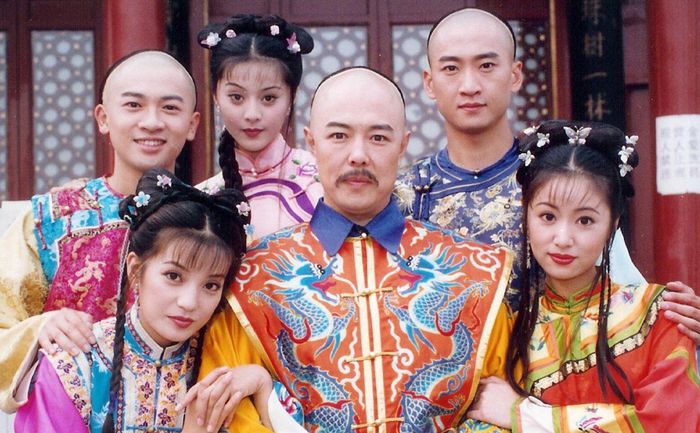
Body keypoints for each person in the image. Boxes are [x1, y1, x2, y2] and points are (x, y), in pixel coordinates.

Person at [187, 67, 515, 433]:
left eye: (378, 137)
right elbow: (231, 416)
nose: (358, 155)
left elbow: (500, 411)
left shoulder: (473, 273)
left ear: (403, 144)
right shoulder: (252, 279)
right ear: (312, 142)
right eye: (339, 136)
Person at [395, 7, 700, 342]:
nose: (469, 85)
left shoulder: (558, 174)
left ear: (515, 75)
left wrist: (672, 321)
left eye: (486, 66)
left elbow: (622, 298)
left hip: (556, 366)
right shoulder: (406, 195)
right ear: (429, 82)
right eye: (451, 68)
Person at [14, 169, 296, 432]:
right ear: (136, 269)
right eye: (174, 276)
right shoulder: (73, 366)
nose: (189, 302)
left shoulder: (223, 360)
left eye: (211, 285)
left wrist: (262, 384)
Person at [465, 121, 700, 432]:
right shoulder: (510, 335)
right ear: (526, 216)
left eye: (585, 220)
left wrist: (523, 414)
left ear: (613, 225)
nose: (563, 238)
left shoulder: (659, 314)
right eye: (548, 216)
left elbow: (669, 421)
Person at [0, 50, 200, 412]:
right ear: (103, 118)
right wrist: (40, 328)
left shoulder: (210, 225)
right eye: (134, 105)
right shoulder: (49, 221)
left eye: (170, 108)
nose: (151, 122)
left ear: (192, 124)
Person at [197, 14, 323, 241]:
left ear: (292, 97)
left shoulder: (323, 182)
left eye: (268, 98)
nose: (252, 114)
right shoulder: (199, 200)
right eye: (236, 97)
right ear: (215, 96)